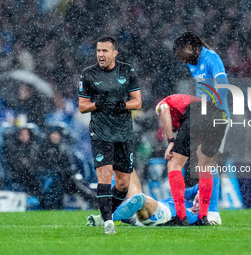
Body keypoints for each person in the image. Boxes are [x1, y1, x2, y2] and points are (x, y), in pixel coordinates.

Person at [78, 36, 142, 234]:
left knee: (122, 183)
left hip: (123, 133)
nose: (100, 55)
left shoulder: (127, 71)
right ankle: (108, 223)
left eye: (105, 51)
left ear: (115, 53)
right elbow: (82, 106)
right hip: (100, 133)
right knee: (104, 175)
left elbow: (137, 102)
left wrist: (122, 105)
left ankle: (106, 215)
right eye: (98, 51)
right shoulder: (88, 74)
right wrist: (98, 104)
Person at [173, 32, 231, 222]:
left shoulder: (212, 58)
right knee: (200, 164)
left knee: (209, 163)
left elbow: (223, 86)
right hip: (202, 116)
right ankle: (200, 201)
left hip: (217, 116)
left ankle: (213, 211)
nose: (183, 60)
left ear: (192, 46)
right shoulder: (192, 63)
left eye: (183, 54)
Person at [155, 94, 225, 225]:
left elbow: (163, 110)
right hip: (219, 116)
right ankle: (203, 217)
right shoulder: (186, 103)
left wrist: (170, 140)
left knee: (174, 165)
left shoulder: (165, 102)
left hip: (197, 114)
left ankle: (181, 217)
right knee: (205, 167)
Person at [86, 170, 221, 227]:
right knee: (128, 169)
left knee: (141, 200)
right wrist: (198, 192)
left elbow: (213, 174)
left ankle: (105, 219)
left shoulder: (204, 215)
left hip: (164, 214)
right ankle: (123, 216)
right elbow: (189, 190)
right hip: (157, 207)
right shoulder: (190, 198)